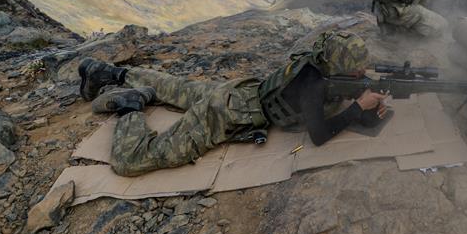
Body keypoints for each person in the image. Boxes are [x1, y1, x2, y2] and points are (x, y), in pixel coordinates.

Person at [78, 31, 390, 177]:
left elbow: (336, 94)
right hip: (227, 113)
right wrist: (357, 109)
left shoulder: (317, 62)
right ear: (337, 67)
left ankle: (109, 72)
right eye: (355, 72)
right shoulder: (314, 84)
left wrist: (360, 102)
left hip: (240, 90)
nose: (362, 75)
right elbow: (319, 136)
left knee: (175, 87)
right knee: (132, 160)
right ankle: (131, 105)